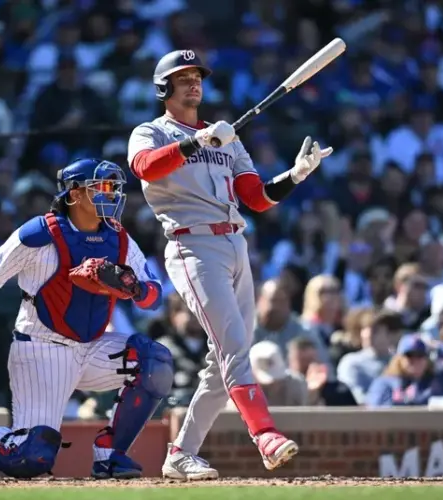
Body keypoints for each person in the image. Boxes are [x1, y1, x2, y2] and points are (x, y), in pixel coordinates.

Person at [127, 49, 333, 479]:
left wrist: (294, 176)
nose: (193, 83)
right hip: (192, 246)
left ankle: (181, 453)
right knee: (235, 350)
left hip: (235, 244)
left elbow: (255, 197)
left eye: (197, 76)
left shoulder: (226, 138)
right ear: (163, 87)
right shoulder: (152, 131)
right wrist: (197, 142)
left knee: (222, 363)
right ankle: (265, 436)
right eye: (183, 77)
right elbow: (143, 167)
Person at [0, 158, 172, 480]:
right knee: (31, 458)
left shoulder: (119, 237)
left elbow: (154, 297)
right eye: (101, 187)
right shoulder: (40, 233)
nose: (112, 195)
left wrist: (134, 288)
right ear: (73, 193)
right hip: (42, 347)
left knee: (155, 360)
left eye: (114, 188)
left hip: (92, 347)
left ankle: (110, 454)